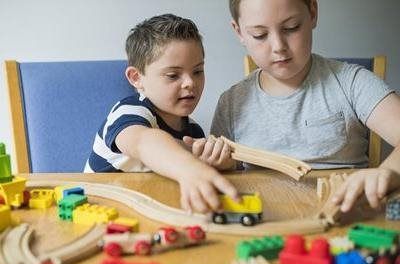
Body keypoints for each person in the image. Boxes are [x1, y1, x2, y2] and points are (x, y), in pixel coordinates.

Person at [186, 0, 400, 213]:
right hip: (268, 220)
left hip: (342, 214)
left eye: (291, 28)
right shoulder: (231, 103)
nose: (278, 46)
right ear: (239, 31)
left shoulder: (352, 82)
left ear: (313, 13)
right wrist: (222, 165)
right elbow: (228, 175)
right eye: (260, 35)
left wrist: (388, 172)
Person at [84, 13, 239, 213]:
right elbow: (144, 142)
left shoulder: (193, 131)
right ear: (136, 78)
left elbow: (191, 180)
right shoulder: (128, 112)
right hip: (98, 210)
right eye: (173, 75)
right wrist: (189, 167)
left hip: (148, 212)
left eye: (197, 71)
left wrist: (219, 163)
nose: (190, 83)